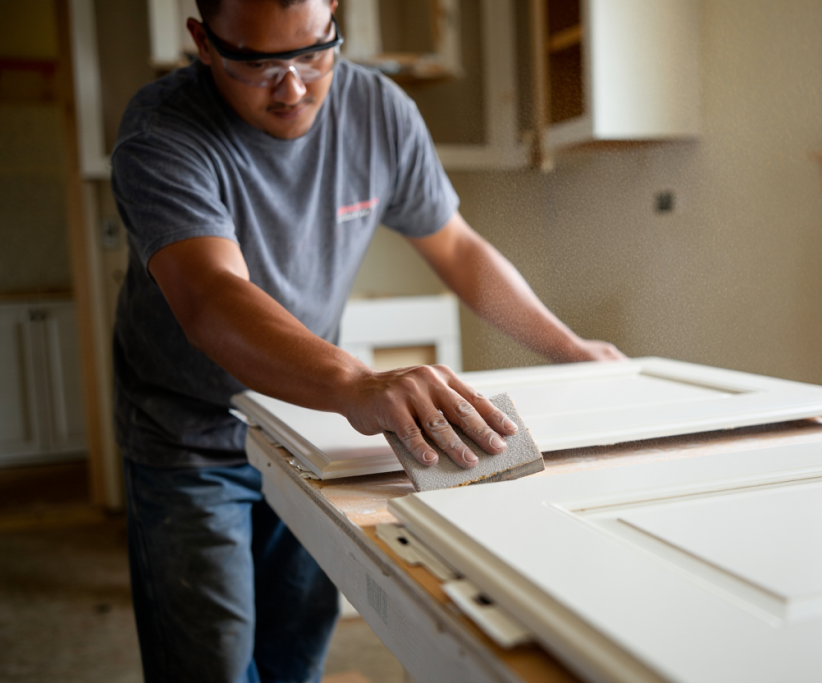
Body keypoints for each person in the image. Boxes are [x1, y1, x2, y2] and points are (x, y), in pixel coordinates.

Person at [111, 0, 624, 680]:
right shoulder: (160, 133)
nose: (293, 88)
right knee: (212, 663)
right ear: (203, 42)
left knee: (297, 650)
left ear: (335, 18)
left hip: (304, 428)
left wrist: (571, 349)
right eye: (258, 64)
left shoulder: (378, 111)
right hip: (186, 432)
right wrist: (356, 382)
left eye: (313, 53)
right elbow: (212, 299)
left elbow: (459, 249)